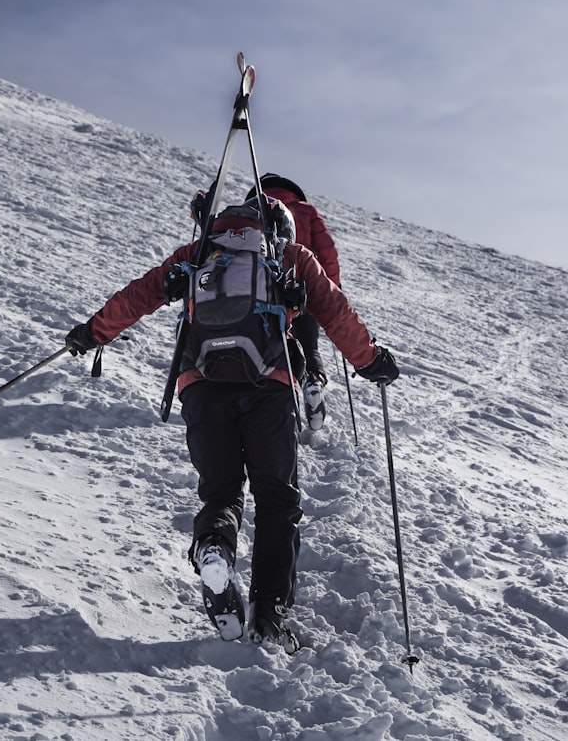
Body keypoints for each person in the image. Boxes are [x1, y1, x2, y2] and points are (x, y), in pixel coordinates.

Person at [65, 194, 399, 652]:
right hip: (269, 385)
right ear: (278, 227)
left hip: (200, 384)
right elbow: (334, 310)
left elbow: (138, 296)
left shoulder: (198, 254)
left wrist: (91, 333)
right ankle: (270, 617)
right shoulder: (289, 256)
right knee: (277, 500)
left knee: (221, 492)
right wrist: (371, 361)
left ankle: (214, 548)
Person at [244, 174, 341, 431]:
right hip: (305, 284)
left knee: (273, 343)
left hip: (265, 288)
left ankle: (280, 398)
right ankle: (314, 381)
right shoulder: (307, 210)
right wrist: (332, 288)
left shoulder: (254, 208)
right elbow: (327, 251)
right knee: (308, 344)